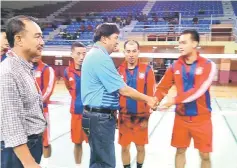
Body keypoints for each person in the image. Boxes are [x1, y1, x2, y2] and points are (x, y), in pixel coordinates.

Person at [81, 23, 157, 168]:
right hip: (100, 118)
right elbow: (123, 90)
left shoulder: (94, 55)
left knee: (98, 160)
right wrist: (148, 99)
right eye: (115, 37)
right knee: (105, 162)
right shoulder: (101, 57)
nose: (117, 41)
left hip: (98, 117)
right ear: (104, 38)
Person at [155, 29, 216, 168]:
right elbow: (162, 87)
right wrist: (154, 100)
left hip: (202, 118)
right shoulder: (174, 66)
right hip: (181, 118)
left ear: (194, 43)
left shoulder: (208, 65)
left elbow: (198, 91)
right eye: (179, 43)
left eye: (183, 42)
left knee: (205, 155)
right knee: (180, 151)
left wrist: (173, 100)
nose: (180, 46)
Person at [0, 15, 46, 168]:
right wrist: (28, 163)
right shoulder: (8, 72)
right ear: (18, 39)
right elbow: (11, 124)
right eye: (37, 37)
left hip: (30, 145)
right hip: (19, 152)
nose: (42, 42)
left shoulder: (23, 67)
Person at [118, 40, 156, 168]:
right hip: (123, 117)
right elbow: (114, 96)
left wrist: (147, 117)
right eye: (128, 51)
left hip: (141, 117)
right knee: (124, 149)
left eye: (134, 51)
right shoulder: (118, 71)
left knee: (140, 148)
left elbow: (151, 96)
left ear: (138, 52)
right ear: (124, 52)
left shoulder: (147, 70)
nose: (131, 54)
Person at [63, 42, 88, 168]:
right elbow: (69, 88)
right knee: (77, 143)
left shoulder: (91, 69)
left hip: (92, 113)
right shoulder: (67, 72)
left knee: (95, 144)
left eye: (84, 53)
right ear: (72, 54)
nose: (82, 57)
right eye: (78, 53)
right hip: (77, 114)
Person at [32, 55, 56, 167]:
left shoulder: (47, 69)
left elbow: (48, 89)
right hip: (25, 112)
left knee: (45, 141)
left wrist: (35, 103)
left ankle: (47, 164)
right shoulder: (25, 68)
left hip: (42, 111)